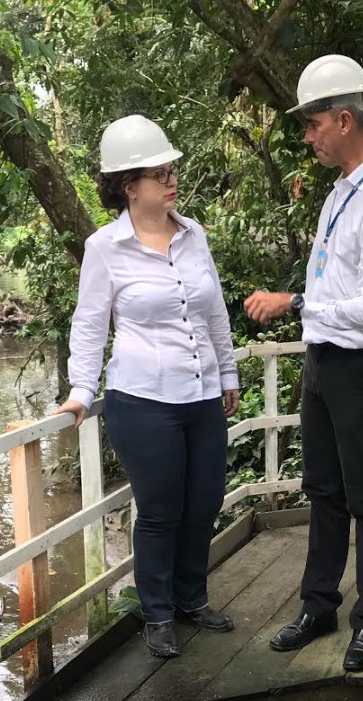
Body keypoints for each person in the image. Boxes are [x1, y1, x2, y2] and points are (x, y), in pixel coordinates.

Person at [243, 54, 363, 674]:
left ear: (345, 120)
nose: (308, 137)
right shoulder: (342, 193)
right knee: (323, 490)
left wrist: (294, 302)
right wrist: (309, 316)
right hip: (324, 360)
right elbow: (336, 286)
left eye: (313, 124)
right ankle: (318, 605)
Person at [53, 114, 241, 659]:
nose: (171, 179)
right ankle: (158, 613)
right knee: (160, 511)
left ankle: (191, 598)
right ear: (129, 187)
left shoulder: (194, 235)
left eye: (171, 169)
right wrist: (81, 389)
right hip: (143, 400)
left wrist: (228, 373)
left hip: (202, 395)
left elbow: (214, 312)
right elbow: (90, 324)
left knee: (204, 503)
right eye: (159, 173)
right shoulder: (105, 248)